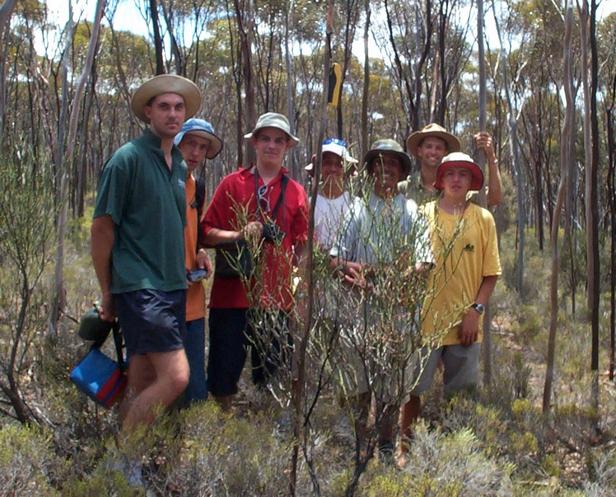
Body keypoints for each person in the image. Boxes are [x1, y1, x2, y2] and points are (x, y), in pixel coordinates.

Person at [91, 74, 201, 484]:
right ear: (148, 112)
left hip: (172, 286)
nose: (172, 114)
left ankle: (132, 469)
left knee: (141, 381)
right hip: (140, 286)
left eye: (178, 108)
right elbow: (102, 228)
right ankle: (119, 464)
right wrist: (108, 290)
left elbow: (176, 224)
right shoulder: (127, 159)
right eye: (164, 107)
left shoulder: (177, 164)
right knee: (176, 377)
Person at [329, 139, 433, 461]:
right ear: (371, 169)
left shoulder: (411, 210)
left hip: (398, 312)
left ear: (402, 171)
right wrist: (353, 270)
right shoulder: (355, 209)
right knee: (358, 382)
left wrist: (402, 277)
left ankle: (387, 445)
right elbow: (334, 259)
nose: (385, 169)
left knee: (390, 386)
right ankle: (360, 444)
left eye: (392, 164)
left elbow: (425, 260)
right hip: (358, 311)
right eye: (379, 163)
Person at [201, 112, 309, 411]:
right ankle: (223, 431)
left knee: (271, 377)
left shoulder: (297, 192)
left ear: (287, 146)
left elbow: (302, 247)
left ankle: (263, 435)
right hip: (230, 298)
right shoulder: (231, 184)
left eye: (278, 140)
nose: (271, 146)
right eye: (265, 139)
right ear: (255, 143)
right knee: (223, 375)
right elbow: (205, 233)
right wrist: (238, 235)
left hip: (276, 301)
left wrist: (298, 289)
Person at [399, 152, 501, 464]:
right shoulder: (423, 214)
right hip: (425, 322)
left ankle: (459, 454)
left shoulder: (483, 219)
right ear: (439, 180)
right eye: (451, 173)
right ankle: (406, 448)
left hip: (466, 325)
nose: (456, 179)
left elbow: (490, 273)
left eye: (464, 174)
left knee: (462, 396)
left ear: (472, 183)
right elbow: (412, 262)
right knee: (414, 392)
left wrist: (476, 312)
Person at [174, 118, 222, 405]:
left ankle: (186, 444)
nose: (195, 152)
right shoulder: (159, 181)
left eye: (202, 147)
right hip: (161, 299)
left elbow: (193, 232)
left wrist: (199, 252)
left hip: (192, 300)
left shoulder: (197, 186)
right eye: (190, 143)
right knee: (162, 381)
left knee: (194, 387)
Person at [402, 123, 503, 207]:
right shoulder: (405, 188)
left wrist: (491, 156)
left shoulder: (457, 187)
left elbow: (493, 198)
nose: (433, 152)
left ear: (445, 153)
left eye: (438, 148)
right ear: (420, 151)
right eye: (429, 146)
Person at [305, 137, 358, 250]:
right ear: (318, 168)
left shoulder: (356, 204)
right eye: (327, 163)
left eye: (339, 164)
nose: (333, 169)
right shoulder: (309, 204)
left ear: (346, 169)